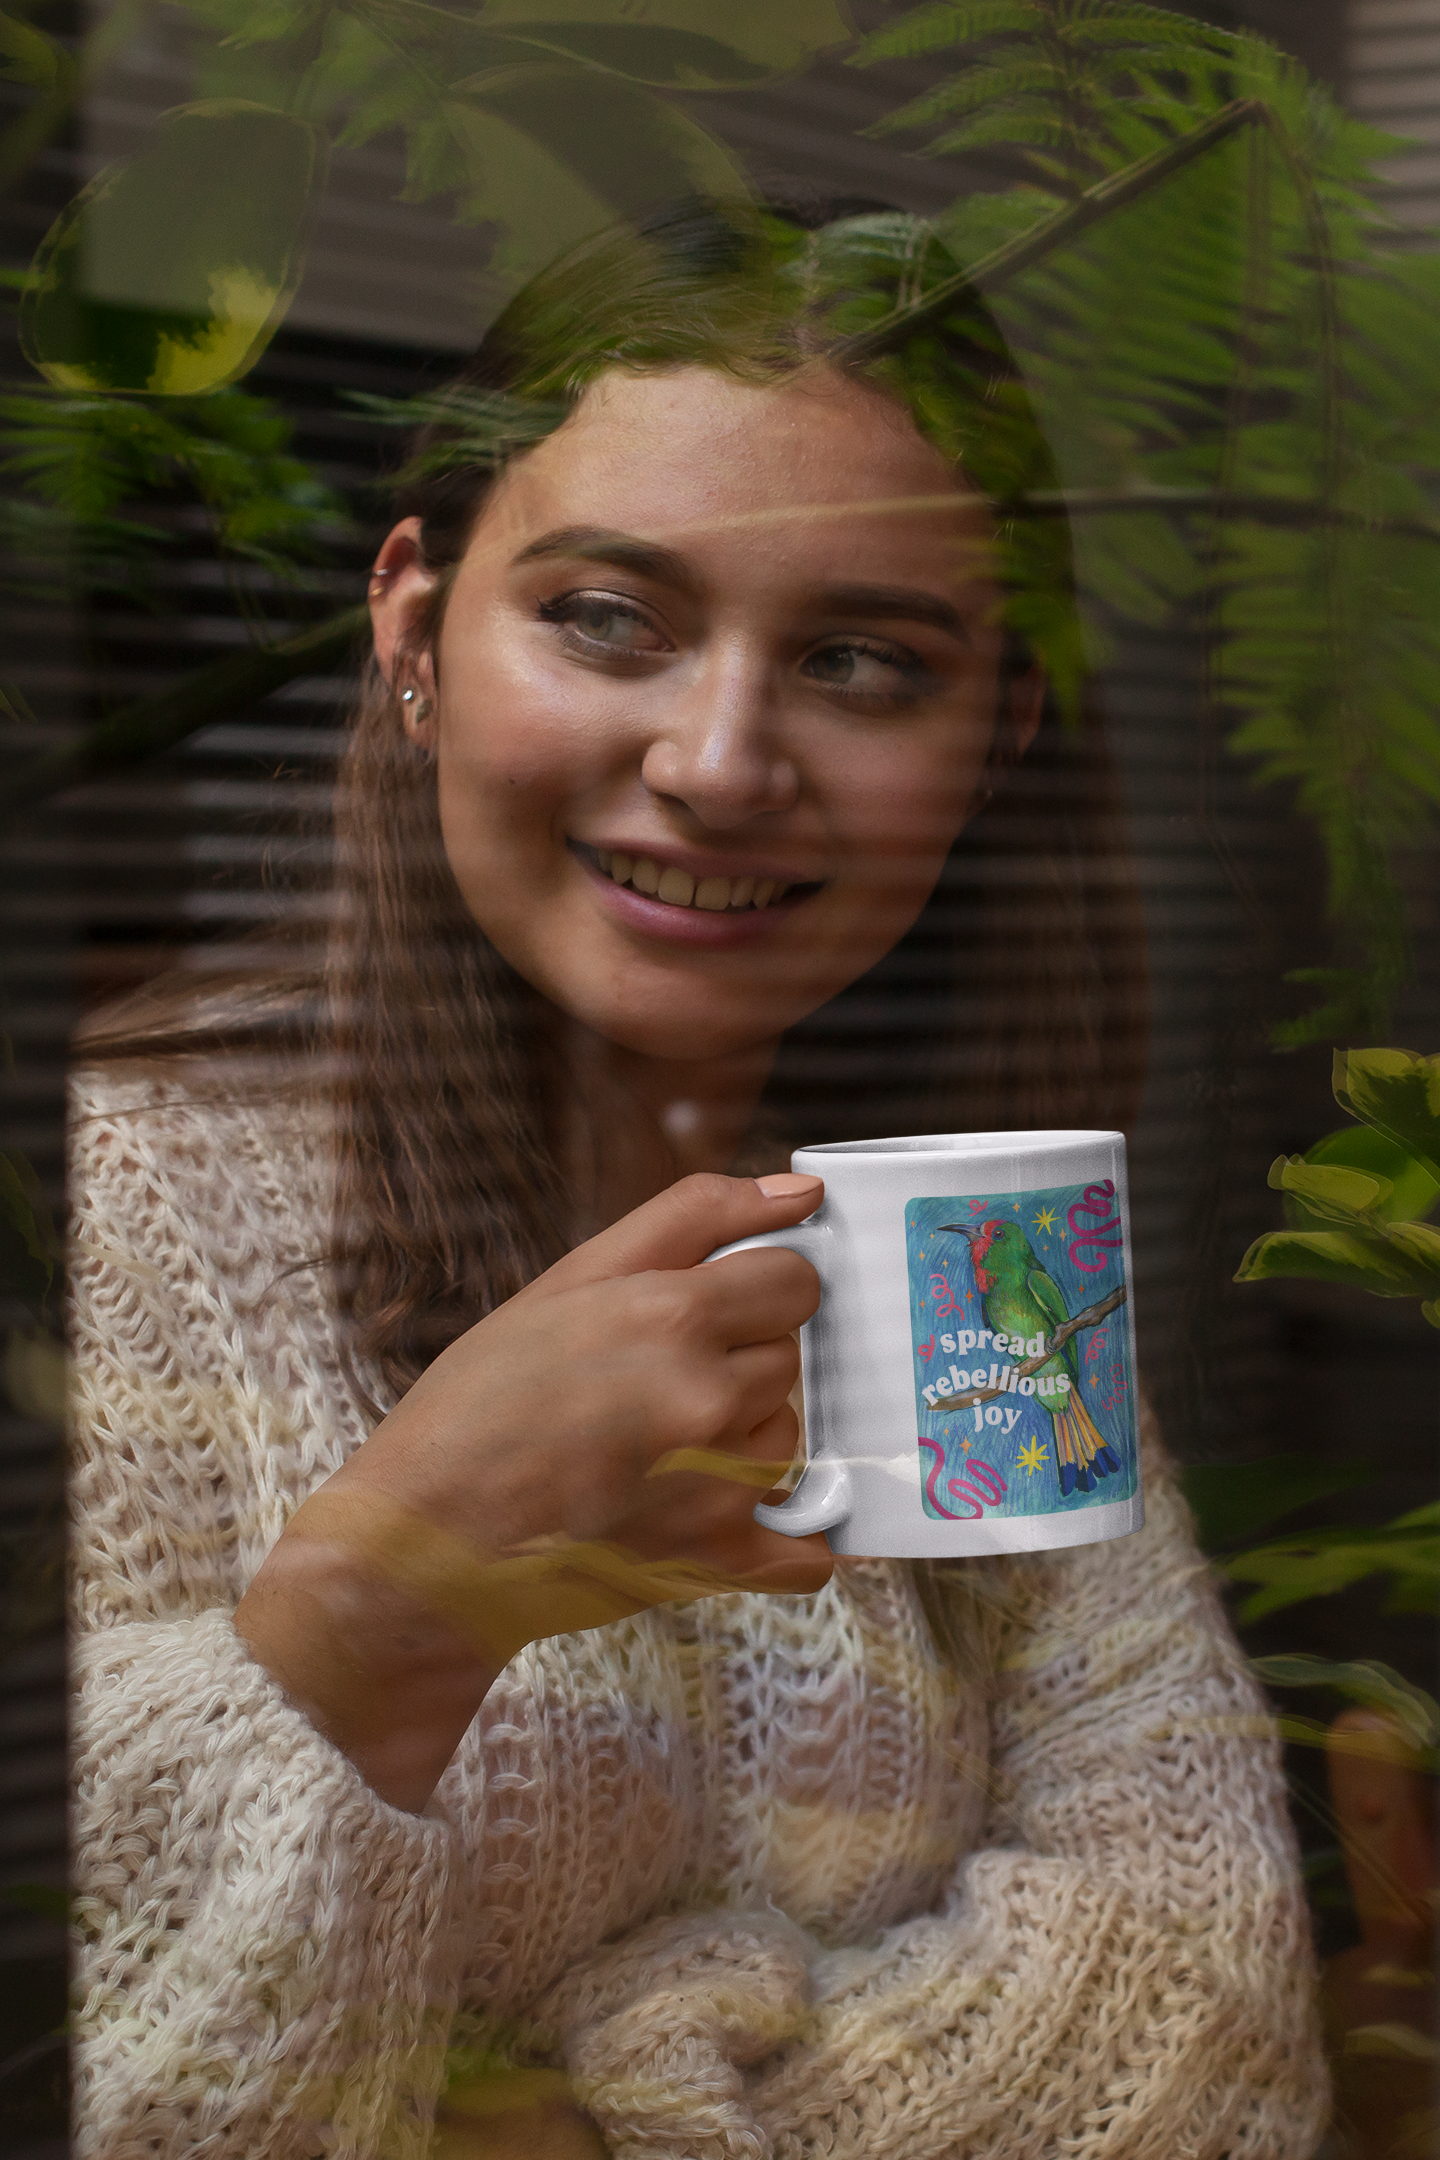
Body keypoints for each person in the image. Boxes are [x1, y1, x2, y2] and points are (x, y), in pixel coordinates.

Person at [68, 203, 1327, 2158]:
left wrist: (610, 2097)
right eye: (607, 620)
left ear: (995, 732)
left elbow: (1210, 2015)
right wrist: (390, 1581)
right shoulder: (109, 1221)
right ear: (414, 633)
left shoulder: (968, 1263)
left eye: (858, 660)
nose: (723, 762)